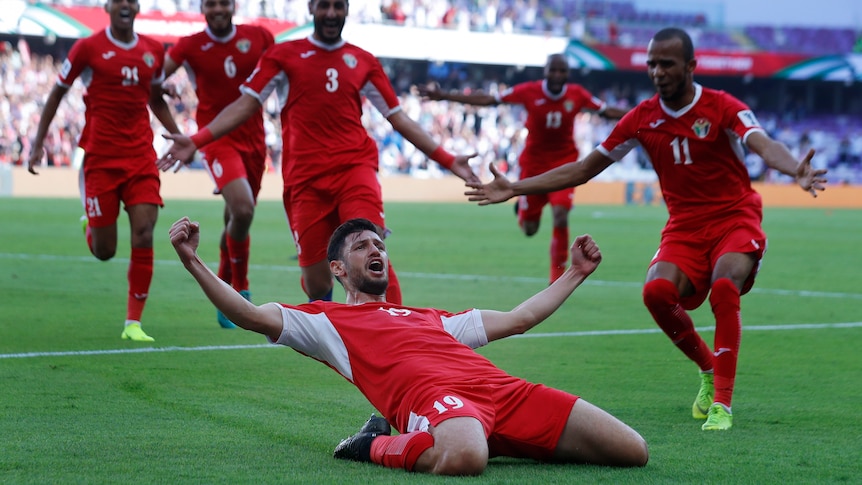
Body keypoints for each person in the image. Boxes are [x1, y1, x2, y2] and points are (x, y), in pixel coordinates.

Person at [465, 27, 828, 431]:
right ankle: (708, 369)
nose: (657, 71)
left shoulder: (723, 106)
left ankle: (722, 403)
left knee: (725, 285)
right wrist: (515, 186)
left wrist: (795, 167)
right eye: (652, 64)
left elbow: (761, 143)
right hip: (684, 227)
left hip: (734, 217)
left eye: (666, 63)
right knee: (656, 292)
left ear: (691, 66)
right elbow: (584, 169)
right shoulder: (641, 118)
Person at [168, 215, 649, 475]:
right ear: (337, 269)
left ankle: (472, 436)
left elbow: (520, 319)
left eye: (378, 245)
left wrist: (575, 273)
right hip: (439, 403)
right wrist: (193, 262)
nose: (375, 251)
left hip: (502, 393)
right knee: (465, 458)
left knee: (632, 451)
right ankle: (375, 444)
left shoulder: (432, 319)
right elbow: (248, 315)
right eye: (361, 246)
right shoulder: (326, 321)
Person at [158, 0, 480, 304]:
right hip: (305, 181)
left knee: (369, 245)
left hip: (355, 169)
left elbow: (399, 118)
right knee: (317, 283)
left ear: (347, 10)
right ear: (311, 7)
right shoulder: (283, 56)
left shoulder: (363, 60)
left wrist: (449, 159)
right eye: (323, 4)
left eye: (337, 5)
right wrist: (196, 140)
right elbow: (247, 104)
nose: (330, 12)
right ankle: (334, 335)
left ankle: (398, 335)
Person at [27, 0, 182, 342]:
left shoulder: (153, 50)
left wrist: (179, 134)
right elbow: (56, 93)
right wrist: (38, 143)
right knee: (104, 251)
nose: (125, 4)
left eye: (131, 0)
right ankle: (90, 222)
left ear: (138, 7)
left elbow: (155, 97)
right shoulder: (88, 47)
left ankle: (133, 323)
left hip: (141, 157)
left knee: (144, 232)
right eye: (119, 0)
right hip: (100, 159)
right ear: (108, 6)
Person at [419, 54, 627, 284]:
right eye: (553, 70)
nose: (557, 75)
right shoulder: (529, 91)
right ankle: (522, 210)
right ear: (545, 72)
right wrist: (445, 96)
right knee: (529, 228)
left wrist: (644, 114)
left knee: (561, 215)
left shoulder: (577, 94)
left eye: (562, 71)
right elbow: (490, 99)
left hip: (565, 163)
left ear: (568, 74)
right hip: (534, 165)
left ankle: (556, 278)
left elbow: (607, 111)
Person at [161, 0, 275, 328]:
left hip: (254, 141)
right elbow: (153, 77)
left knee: (236, 218)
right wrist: (161, 86)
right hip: (216, 140)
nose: (218, 10)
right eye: (210, 4)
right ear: (202, 8)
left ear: (234, 5)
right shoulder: (190, 45)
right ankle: (239, 290)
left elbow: (283, 71)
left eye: (223, 3)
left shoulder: (260, 38)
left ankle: (223, 286)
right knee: (242, 210)